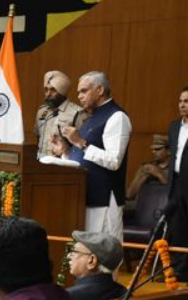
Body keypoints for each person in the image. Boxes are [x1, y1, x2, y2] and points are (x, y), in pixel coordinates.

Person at [52, 71, 131, 242]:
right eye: (79, 92)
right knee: (85, 256)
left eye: (84, 91)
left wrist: (80, 142)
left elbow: (114, 161)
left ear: (100, 90)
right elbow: (82, 160)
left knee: (102, 257)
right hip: (84, 195)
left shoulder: (117, 117)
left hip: (103, 199)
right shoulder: (91, 119)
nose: (79, 96)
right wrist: (64, 152)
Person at [166, 86, 188, 285]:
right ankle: (178, 272)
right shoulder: (173, 126)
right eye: (181, 101)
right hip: (176, 184)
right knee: (177, 230)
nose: (182, 105)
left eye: (187, 101)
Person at [35, 71, 88, 158]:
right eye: (46, 90)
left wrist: (66, 151)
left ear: (62, 92)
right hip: (40, 162)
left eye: (53, 90)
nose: (48, 94)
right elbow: (38, 137)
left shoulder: (78, 113)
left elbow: (82, 145)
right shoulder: (41, 111)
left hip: (63, 164)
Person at [66, 230, 126, 300]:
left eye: (74, 252)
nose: (68, 256)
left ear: (91, 261)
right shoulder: (125, 294)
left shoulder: (67, 297)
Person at [127, 135, 170, 201]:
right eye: (153, 149)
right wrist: (143, 178)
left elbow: (176, 193)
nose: (153, 152)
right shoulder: (147, 167)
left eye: (158, 149)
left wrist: (159, 174)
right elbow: (129, 195)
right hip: (149, 206)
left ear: (169, 151)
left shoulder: (175, 168)